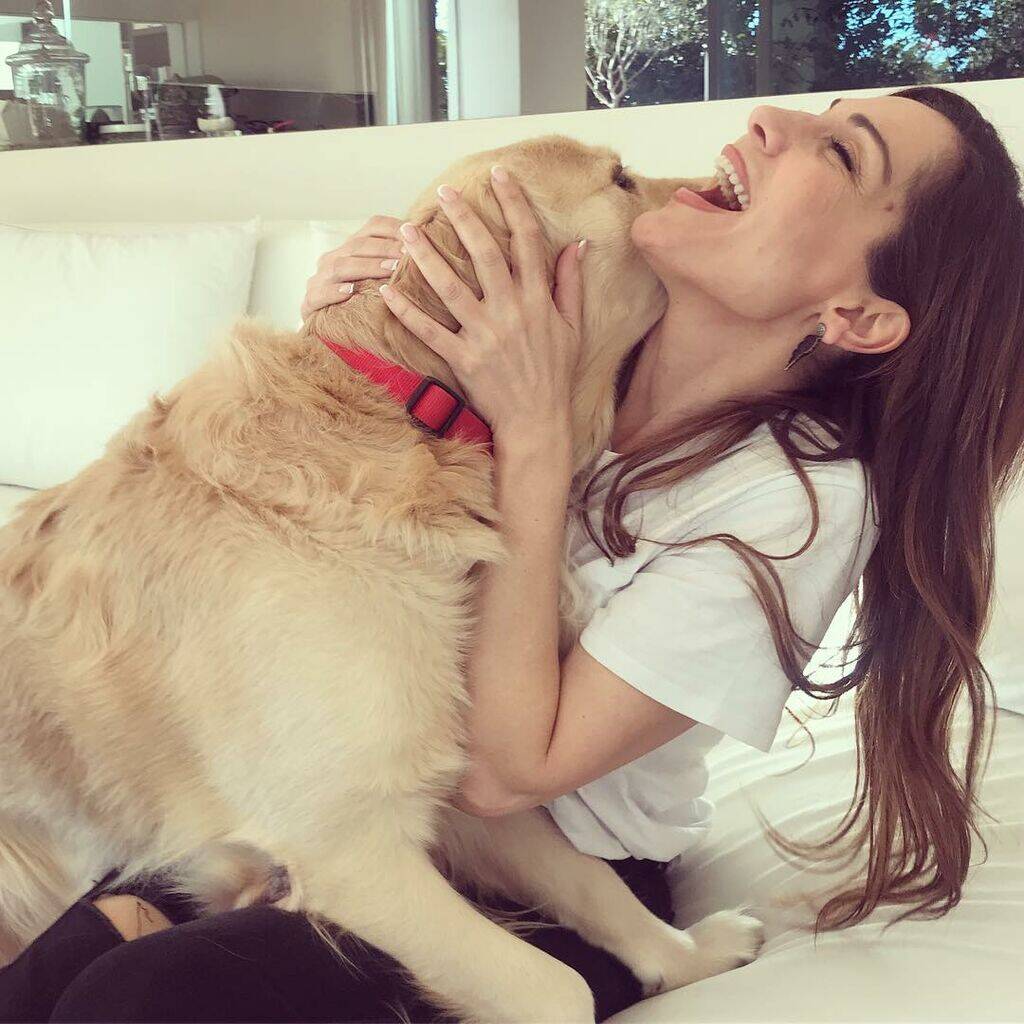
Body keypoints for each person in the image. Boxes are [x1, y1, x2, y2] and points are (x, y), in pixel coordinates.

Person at [3, 84, 1023, 1024]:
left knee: (140, 997)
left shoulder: (797, 502)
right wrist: (359, 336)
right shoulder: (563, 344)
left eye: (842, 153)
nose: (769, 119)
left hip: (561, 872)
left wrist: (530, 441)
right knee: (53, 972)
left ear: (856, 315)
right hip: (357, 799)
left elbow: (501, 776)